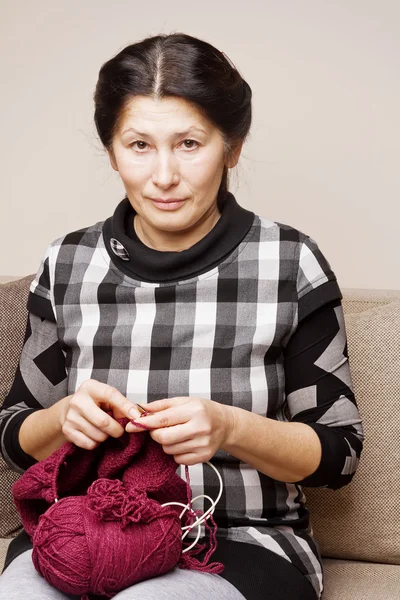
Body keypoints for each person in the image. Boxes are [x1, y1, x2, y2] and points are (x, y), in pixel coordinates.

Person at [0, 32, 363, 600]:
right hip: (88, 531)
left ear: (231, 147)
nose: (163, 175)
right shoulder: (68, 263)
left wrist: (230, 428)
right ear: (112, 149)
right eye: (139, 145)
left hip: (243, 540)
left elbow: (339, 454)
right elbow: (14, 433)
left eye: (189, 144)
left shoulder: (290, 261)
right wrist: (63, 417)